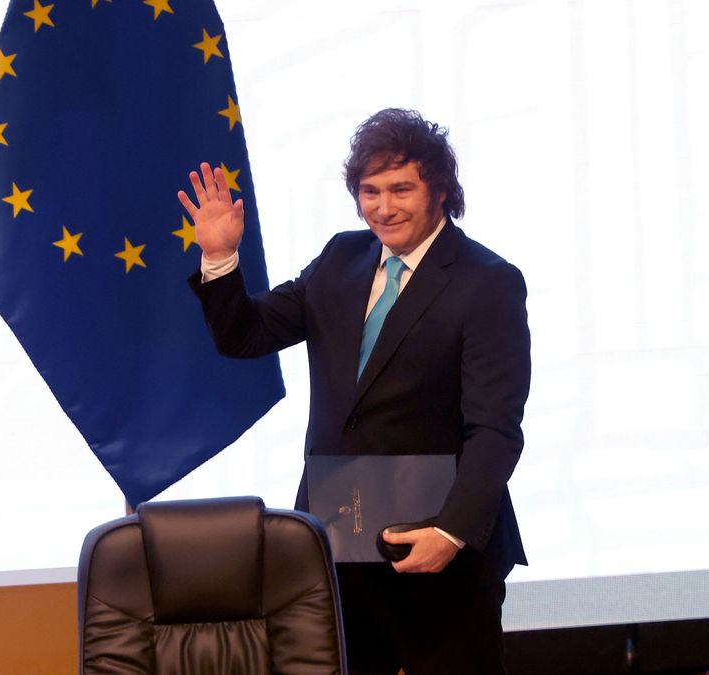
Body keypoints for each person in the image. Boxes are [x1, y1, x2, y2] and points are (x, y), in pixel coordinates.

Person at [180, 108, 530, 675]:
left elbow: (494, 428)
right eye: (370, 191)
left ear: (438, 191)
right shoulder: (341, 257)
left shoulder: (488, 282)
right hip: (338, 547)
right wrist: (220, 256)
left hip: (440, 555)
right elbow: (245, 335)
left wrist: (452, 531)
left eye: (401, 189)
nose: (383, 207)